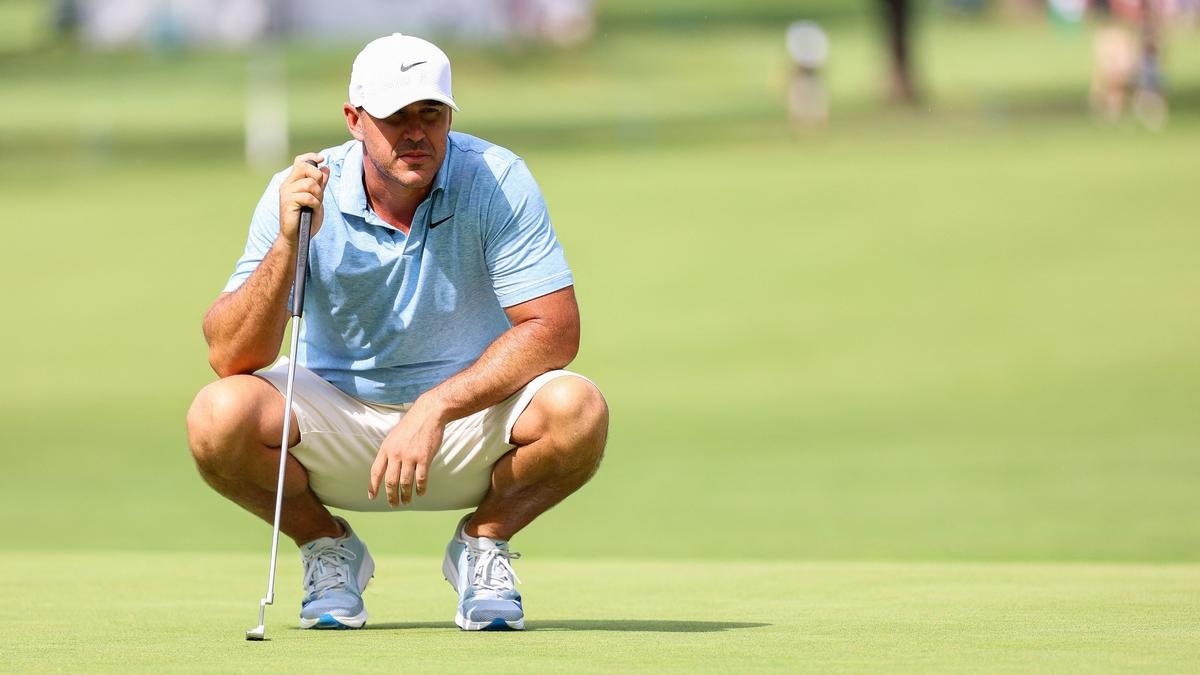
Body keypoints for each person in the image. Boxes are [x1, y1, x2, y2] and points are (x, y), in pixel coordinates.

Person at [186, 33, 609, 632]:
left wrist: (436, 406)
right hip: (337, 418)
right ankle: (327, 548)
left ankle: (483, 544)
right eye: (396, 116)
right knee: (216, 416)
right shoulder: (303, 189)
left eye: (431, 114)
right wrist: (288, 244)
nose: (417, 133)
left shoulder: (495, 177)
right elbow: (231, 355)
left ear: (450, 115)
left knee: (578, 409)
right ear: (355, 120)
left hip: (468, 421)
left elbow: (555, 331)